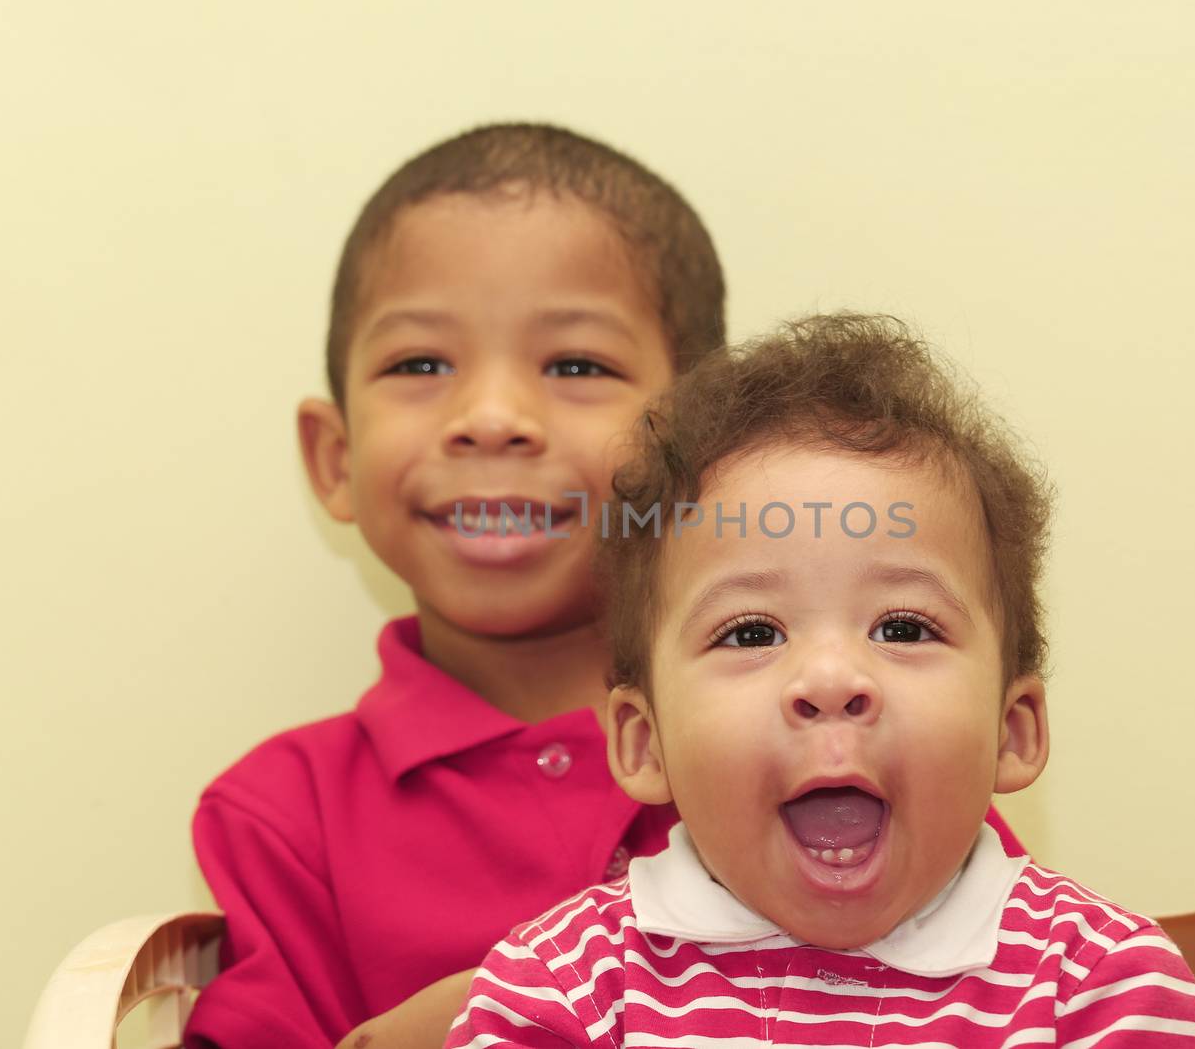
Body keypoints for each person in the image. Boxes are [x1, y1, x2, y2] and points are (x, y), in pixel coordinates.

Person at [186, 122, 1027, 1049]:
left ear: (694, 449)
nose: (492, 419)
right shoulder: (280, 814)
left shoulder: (840, 736)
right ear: (334, 456)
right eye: (420, 364)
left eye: (576, 365)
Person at [446, 314, 1195, 1047]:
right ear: (645, 741)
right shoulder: (565, 991)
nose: (829, 678)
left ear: (1012, 728)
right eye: (751, 632)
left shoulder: (1098, 988)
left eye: (902, 627)